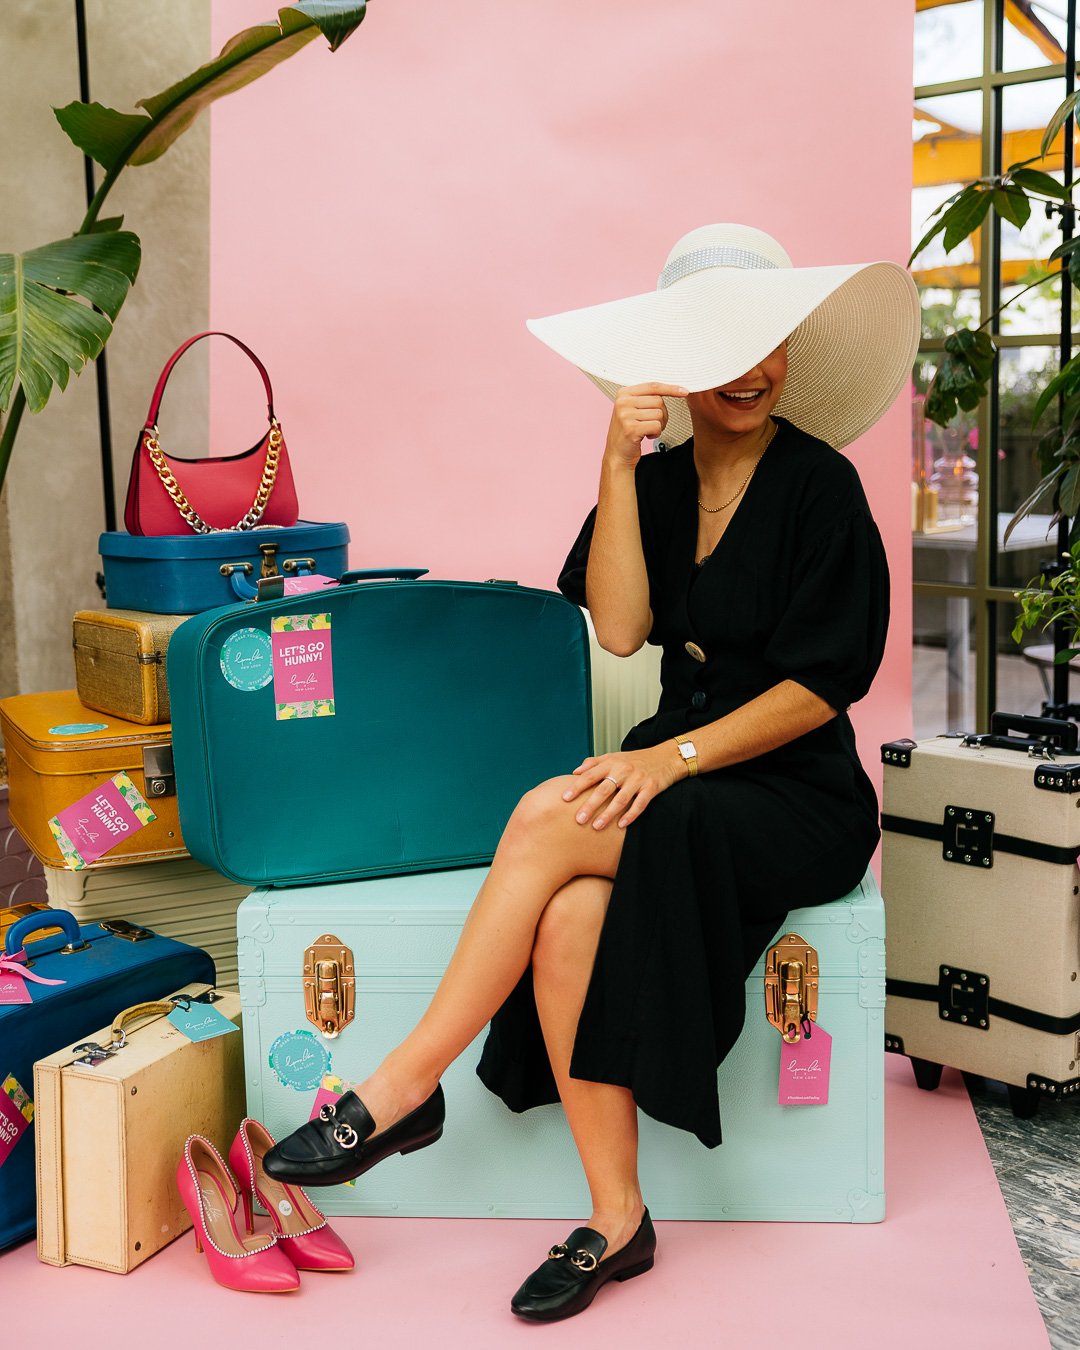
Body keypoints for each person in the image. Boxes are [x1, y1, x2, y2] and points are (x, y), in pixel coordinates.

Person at [264, 223, 921, 1321]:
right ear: (674, 357)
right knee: (568, 920)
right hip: (681, 771)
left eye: (770, 344)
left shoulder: (823, 489)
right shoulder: (658, 486)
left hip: (792, 790)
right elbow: (618, 629)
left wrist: (669, 761)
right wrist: (618, 462)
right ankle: (618, 1219)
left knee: (544, 810)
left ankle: (403, 1085)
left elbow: (823, 688)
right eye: (723, 347)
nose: (754, 370)